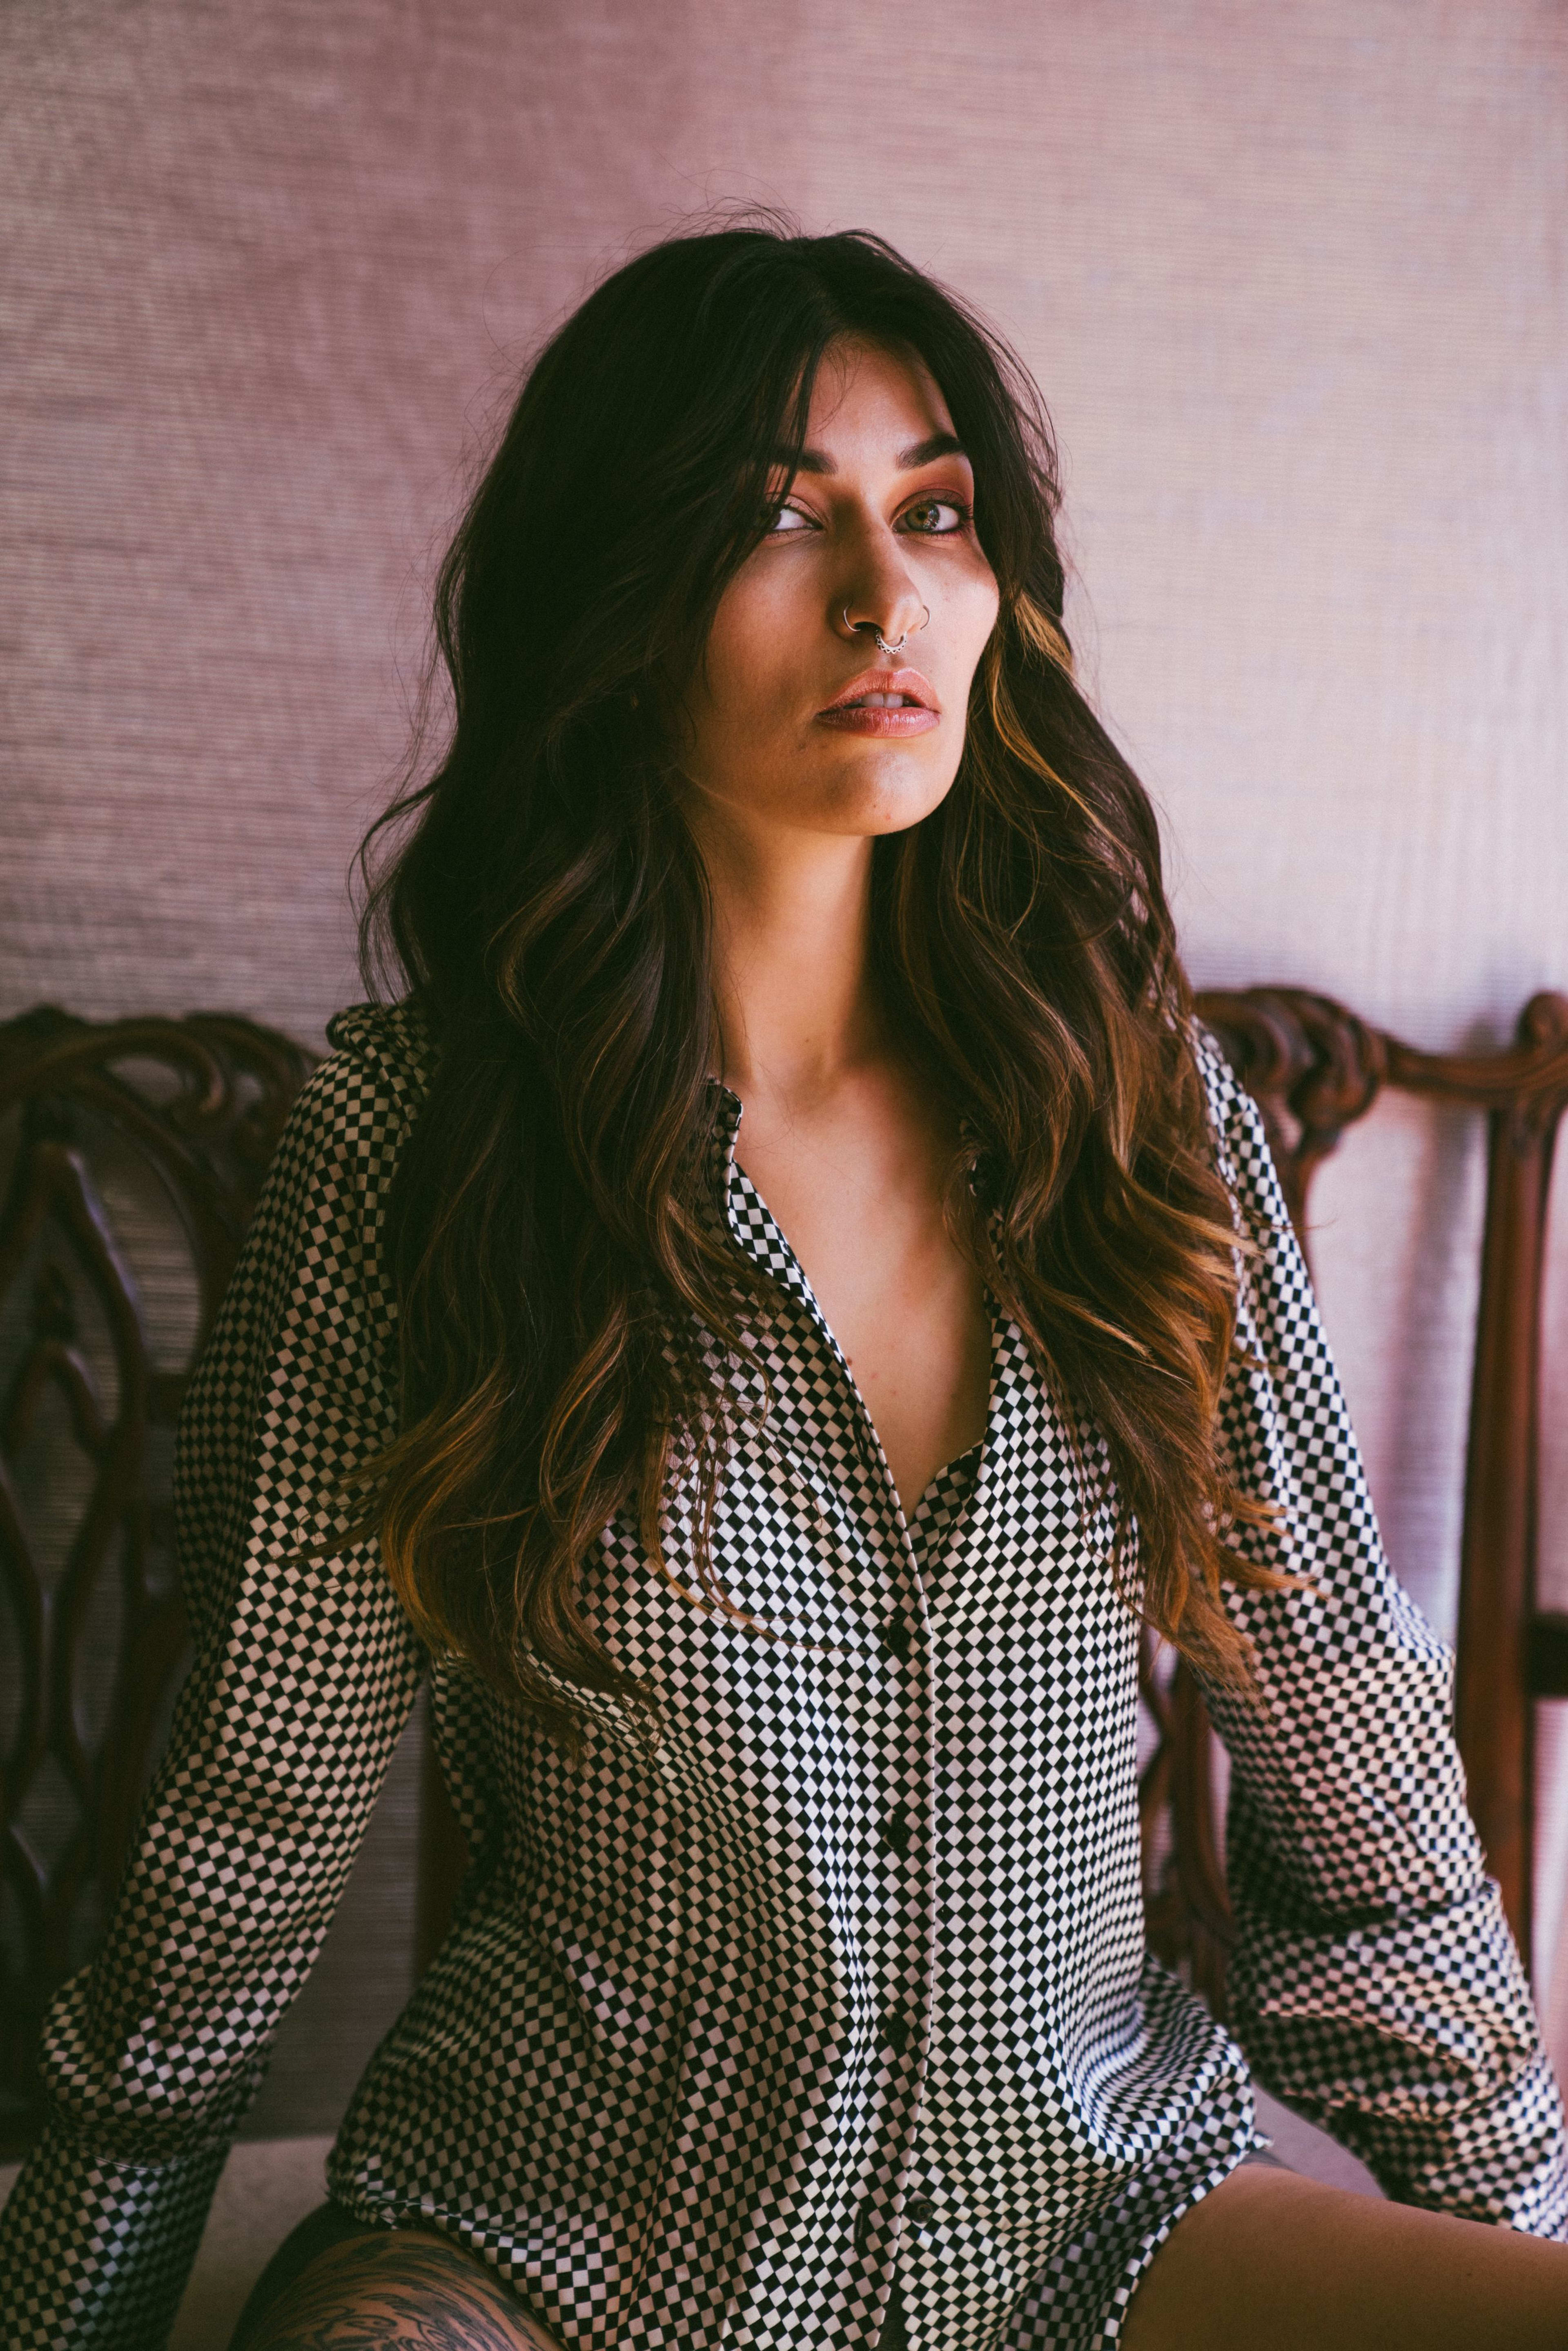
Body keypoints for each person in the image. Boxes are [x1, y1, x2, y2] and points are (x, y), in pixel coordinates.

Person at [1, 222, 1564, 2351]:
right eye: (775, 518)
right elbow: (246, 1829)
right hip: (560, 2241)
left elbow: (1365, 1802)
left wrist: (1527, 2223)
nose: (883, 592)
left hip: (1092, 2217)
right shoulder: (421, 1149)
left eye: (933, 511)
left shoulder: (1144, 1131)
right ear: (619, 615)